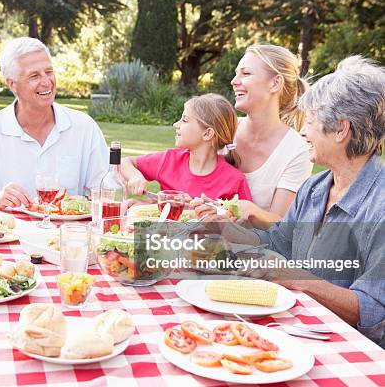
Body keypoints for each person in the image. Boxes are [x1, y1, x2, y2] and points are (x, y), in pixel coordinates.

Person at [207, 56, 385, 347]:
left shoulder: (380, 208)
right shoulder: (315, 189)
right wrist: (225, 228)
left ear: (341, 129)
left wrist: (295, 278)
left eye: (311, 123)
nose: (302, 132)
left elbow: (372, 311)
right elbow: (278, 243)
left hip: (347, 351)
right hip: (296, 331)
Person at [0, 37, 109, 208]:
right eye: (34, 76)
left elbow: (105, 194)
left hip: (68, 234)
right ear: (12, 85)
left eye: (49, 72)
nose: (46, 82)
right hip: (10, 233)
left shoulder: (84, 127)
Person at [194, 44, 313, 228]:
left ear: (275, 83)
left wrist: (252, 210)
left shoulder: (297, 151)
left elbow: (281, 223)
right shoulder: (224, 130)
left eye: (246, 73)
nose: (234, 81)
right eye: (236, 73)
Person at [121, 93, 252, 201]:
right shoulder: (169, 160)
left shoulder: (234, 181)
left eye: (184, 120)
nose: (175, 124)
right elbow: (125, 162)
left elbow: (247, 225)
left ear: (207, 134)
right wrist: (135, 176)